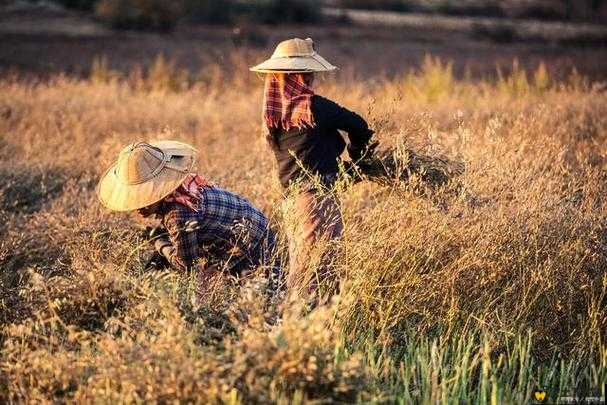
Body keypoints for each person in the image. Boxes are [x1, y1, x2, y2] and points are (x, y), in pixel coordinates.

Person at [250, 38, 376, 304]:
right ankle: (302, 324)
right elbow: (359, 126)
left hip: (292, 201)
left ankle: (301, 323)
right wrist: (358, 157)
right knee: (318, 265)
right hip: (315, 199)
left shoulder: (273, 116)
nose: (312, 79)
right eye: (310, 75)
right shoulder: (315, 107)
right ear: (303, 75)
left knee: (304, 261)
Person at [96, 140, 280, 297]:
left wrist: (160, 244)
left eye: (143, 198)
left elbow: (188, 267)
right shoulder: (181, 188)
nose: (138, 208)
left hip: (255, 249)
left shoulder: (178, 213)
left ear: (157, 190)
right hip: (253, 233)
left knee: (217, 296)